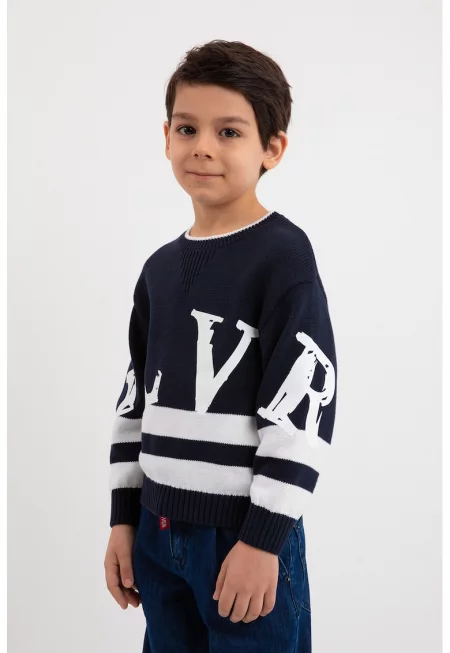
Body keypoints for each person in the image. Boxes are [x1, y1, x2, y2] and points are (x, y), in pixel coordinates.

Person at [104, 39, 338, 653]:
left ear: (272, 148)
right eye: (187, 128)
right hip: (157, 529)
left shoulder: (282, 257)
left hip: (241, 533)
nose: (202, 146)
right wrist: (124, 519)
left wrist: (263, 539)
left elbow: (304, 409)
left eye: (229, 131)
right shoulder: (159, 270)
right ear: (166, 138)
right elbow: (135, 402)